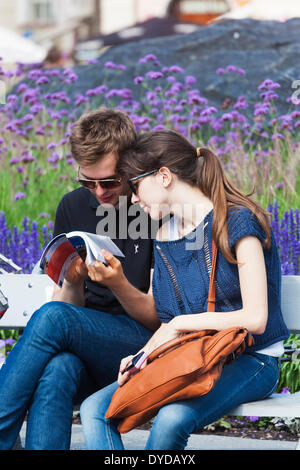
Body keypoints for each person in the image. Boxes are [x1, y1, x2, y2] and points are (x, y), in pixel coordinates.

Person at [79, 129, 290, 450]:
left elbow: (256, 318)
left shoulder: (238, 222)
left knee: (172, 419)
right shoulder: (164, 236)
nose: (133, 198)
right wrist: (142, 356)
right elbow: (168, 321)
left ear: (163, 176)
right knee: (94, 409)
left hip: (253, 360)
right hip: (194, 356)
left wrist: (181, 323)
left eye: (135, 185)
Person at [0, 108, 159, 450]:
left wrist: (118, 283)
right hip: (90, 347)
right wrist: (72, 281)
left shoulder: (153, 206)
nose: (99, 192)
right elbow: (72, 308)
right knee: (58, 369)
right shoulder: (73, 206)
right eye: (88, 182)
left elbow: (157, 317)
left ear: (129, 165)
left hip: (144, 348)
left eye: (109, 181)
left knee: (53, 317)